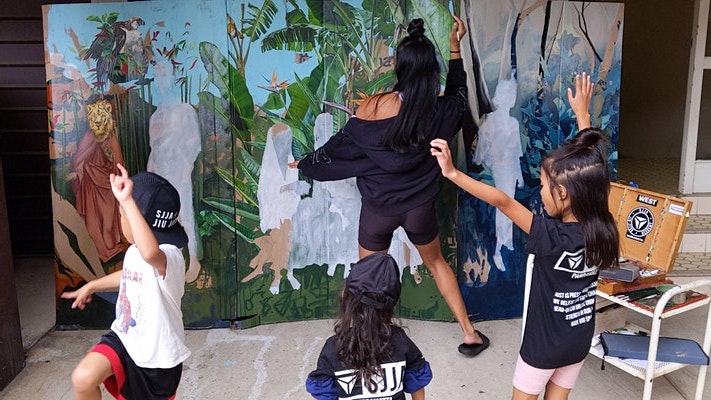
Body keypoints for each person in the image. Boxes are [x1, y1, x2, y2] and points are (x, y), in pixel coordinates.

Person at [291, 15, 489, 356]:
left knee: (366, 279)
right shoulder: (440, 110)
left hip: (378, 211)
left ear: (399, 67)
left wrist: (306, 164)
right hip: (419, 209)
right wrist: (455, 46)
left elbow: (338, 149)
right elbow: (459, 91)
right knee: (438, 263)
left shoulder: (373, 106)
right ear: (431, 70)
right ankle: (469, 334)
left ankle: (361, 342)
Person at [430, 72, 619, 400]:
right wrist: (582, 114)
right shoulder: (603, 228)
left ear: (563, 193)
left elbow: (502, 200)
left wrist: (451, 172)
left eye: (544, 187)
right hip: (577, 342)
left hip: (541, 349)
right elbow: (593, 172)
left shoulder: (552, 236)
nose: (541, 192)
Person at [61, 163, 191, 400]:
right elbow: (130, 275)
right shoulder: (133, 252)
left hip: (157, 360)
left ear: (136, 221)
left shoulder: (171, 257)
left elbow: (150, 254)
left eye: (122, 215)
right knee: (83, 378)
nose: (121, 219)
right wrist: (92, 285)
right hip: (125, 338)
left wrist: (128, 203)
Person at [305, 253, 433, 400]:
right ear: (389, 308)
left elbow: (323, 393)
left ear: (346, 299)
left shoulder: (333, 347)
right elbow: (416, 380)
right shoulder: (400, 339)